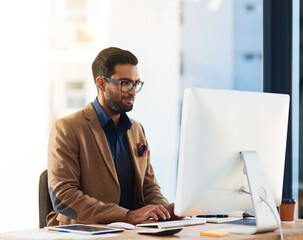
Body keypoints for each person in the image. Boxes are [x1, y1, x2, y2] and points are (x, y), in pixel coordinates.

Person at [47, 47, 180, 226]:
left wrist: (167, 211)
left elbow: (149, 188)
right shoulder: (68, 128)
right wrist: (126, 216)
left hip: (132, 232)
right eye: (125, 83)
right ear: (101, 84)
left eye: (136, 83)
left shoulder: (136, 129)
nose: (132, 91)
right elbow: (64, 196)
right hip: (85, 230)